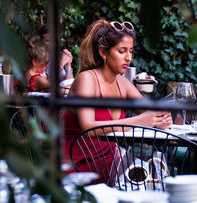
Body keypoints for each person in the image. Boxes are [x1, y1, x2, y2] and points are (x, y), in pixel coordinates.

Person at [63, 19, 172, 184]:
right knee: (146, 177)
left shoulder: (123, 83)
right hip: (78, 165)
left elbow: (149, 113)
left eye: (131, 51)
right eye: (122, 51)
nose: (128, 57)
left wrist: (160, 119)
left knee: (155, 169)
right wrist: (141, 121)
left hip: (109, 161)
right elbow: (88, 127)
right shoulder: (87, 79)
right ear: (103, 53)